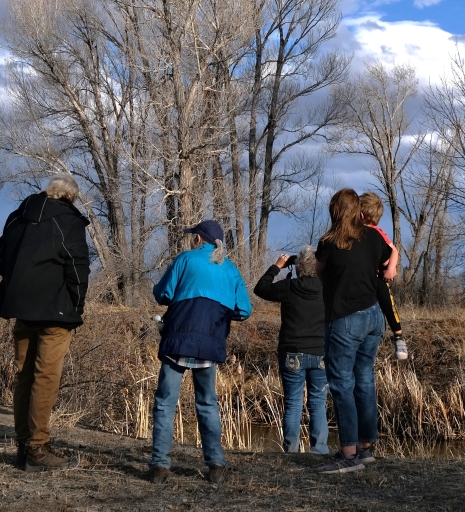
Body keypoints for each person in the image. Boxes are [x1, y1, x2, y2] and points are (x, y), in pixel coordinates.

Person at [0, 174, 90, 472]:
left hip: (21, 306)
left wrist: (16, 283)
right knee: (45, 378)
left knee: (24, 376)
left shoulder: (18, 216)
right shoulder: (69, 221)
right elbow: (77, 267)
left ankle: (24, 446)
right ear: (71, 197)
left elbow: (3, 257)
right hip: (55, 310)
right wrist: (76, 304)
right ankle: (37, 448)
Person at [149, 220, 252, 484]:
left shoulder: (185, 260)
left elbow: (162, 293)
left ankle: (160, 465)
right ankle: (216, 464)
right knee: (207, 403)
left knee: (165, 402)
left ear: (198, 240)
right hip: (210, 343)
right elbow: (245, 310)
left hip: (177, 340)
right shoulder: (230, 269)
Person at [315, 188, 391, 474]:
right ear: (358, 210)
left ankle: (348, 455)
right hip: (374, 316)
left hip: (344, 318)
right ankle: (365, 448)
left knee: (342, 384)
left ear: (335, 211)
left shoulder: (329, 242)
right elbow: (388, 258)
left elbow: (321, 273)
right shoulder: (372, 236)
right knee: (364, 380)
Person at [254, 246, 329, 455]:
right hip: (321, 352)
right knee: (318, 403)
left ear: (297, 268)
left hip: (292, 352)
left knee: (293, 403)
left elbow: (260, 288)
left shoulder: (289, 287)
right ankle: (320, 450)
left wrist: (278, 266)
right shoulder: (328, 289)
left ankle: (291, 451)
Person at [359, 192, 408, 360]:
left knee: (387, 300)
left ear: (361, 214)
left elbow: (394, 250)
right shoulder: (356, 231)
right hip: (365, 274)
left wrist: (390, 269)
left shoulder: (377, 232)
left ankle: (398, 336)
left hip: (379, 274)